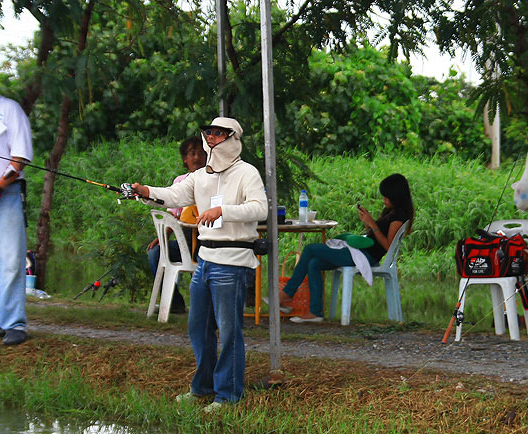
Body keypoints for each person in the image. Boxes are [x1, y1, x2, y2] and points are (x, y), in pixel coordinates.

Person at [131, 117, 268, 412]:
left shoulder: (247, 173)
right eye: (209, 133)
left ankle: (228, 395)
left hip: (232, 262)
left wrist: (223, 210)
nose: (212, 138)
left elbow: (260, 208)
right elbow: (172, 194)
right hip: (205, 260)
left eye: (219, 134)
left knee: (229, 331)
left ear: (233, 137)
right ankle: (202, 387)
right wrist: (146, 192)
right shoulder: (200, 176)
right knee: (198, 328)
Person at [279, 173, 414, 323]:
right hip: (362, 250)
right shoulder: (390, 212)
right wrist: (367, 223)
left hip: (367, 256)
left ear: (396, 197)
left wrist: (373, 224)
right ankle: (315, 312)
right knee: (314, 263)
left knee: (310, 249)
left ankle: (287, 293)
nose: (384, 200)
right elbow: (374, 236)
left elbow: (388, 246)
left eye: (386, 197)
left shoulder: (398, 217)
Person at [0, 58, 33, 346]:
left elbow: (20, 156)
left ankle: (14, 323)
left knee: (11, 261)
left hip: (5, 194)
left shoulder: (10, 110)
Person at [145, 136, 206, 313]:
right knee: (155, 253)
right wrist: (162, 237)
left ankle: (205, 307)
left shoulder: (213, 180)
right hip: (185, 244)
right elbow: (173, 214)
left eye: (201, 153)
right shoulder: (180, 182)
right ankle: (174, 303)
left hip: (207, 243)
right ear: (184, 159)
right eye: (192, 154)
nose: (196, 158)